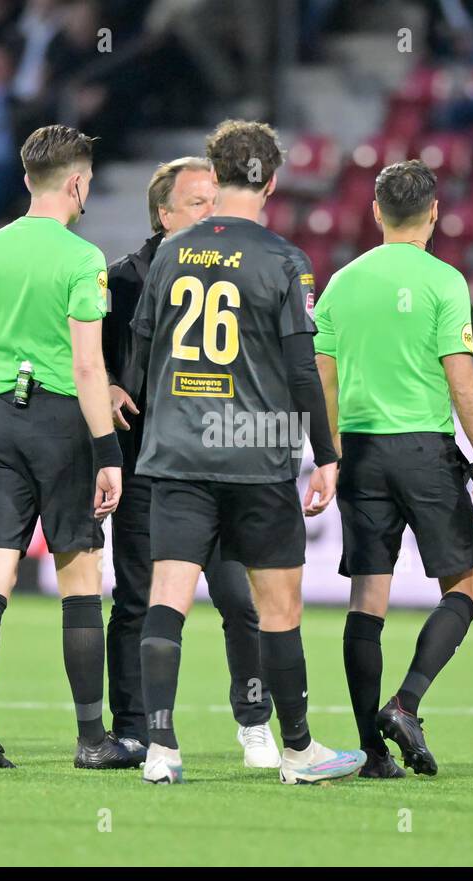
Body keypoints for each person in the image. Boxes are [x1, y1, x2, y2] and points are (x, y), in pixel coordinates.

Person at [126, 119, 364, 785]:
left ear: (216, 173)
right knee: (278, 609)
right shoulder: (285, 261)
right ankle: (297, 751)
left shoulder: (172, 253)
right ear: (272, 181)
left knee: (166, 598)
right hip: (256, 456)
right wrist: (325, 453)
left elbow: (140, 355)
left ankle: (161, 751)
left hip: (176, 453)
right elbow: (300, 370)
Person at [314, 159, 473, 778]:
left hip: (363, 454)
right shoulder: (445, 282)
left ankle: (371, 754)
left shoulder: (341, 283)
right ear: (434, 214)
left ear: (375, 212)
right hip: (424, 449)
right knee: (465, 588)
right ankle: (406, 702)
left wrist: (329, 457)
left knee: (368, 598)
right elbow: (461, 378)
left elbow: (325, 381)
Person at [0, 124, 129, 770]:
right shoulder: (83, 260)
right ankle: (90, 740)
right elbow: (89, 369)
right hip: (62, 427)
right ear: (79, 183)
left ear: (28, 178)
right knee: (79, 580)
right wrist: (107, 451)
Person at [102, 156, 278, 768]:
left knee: (240, 602)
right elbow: (85, 360)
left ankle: (254, 723)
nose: (212, 210)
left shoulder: (239, 272)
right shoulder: (121, 282)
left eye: (215, 199)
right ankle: (135, 731)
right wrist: (105, 385)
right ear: (164, 213)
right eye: (198, 201)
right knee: (137, 602)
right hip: (149, 470)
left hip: (223, 465)